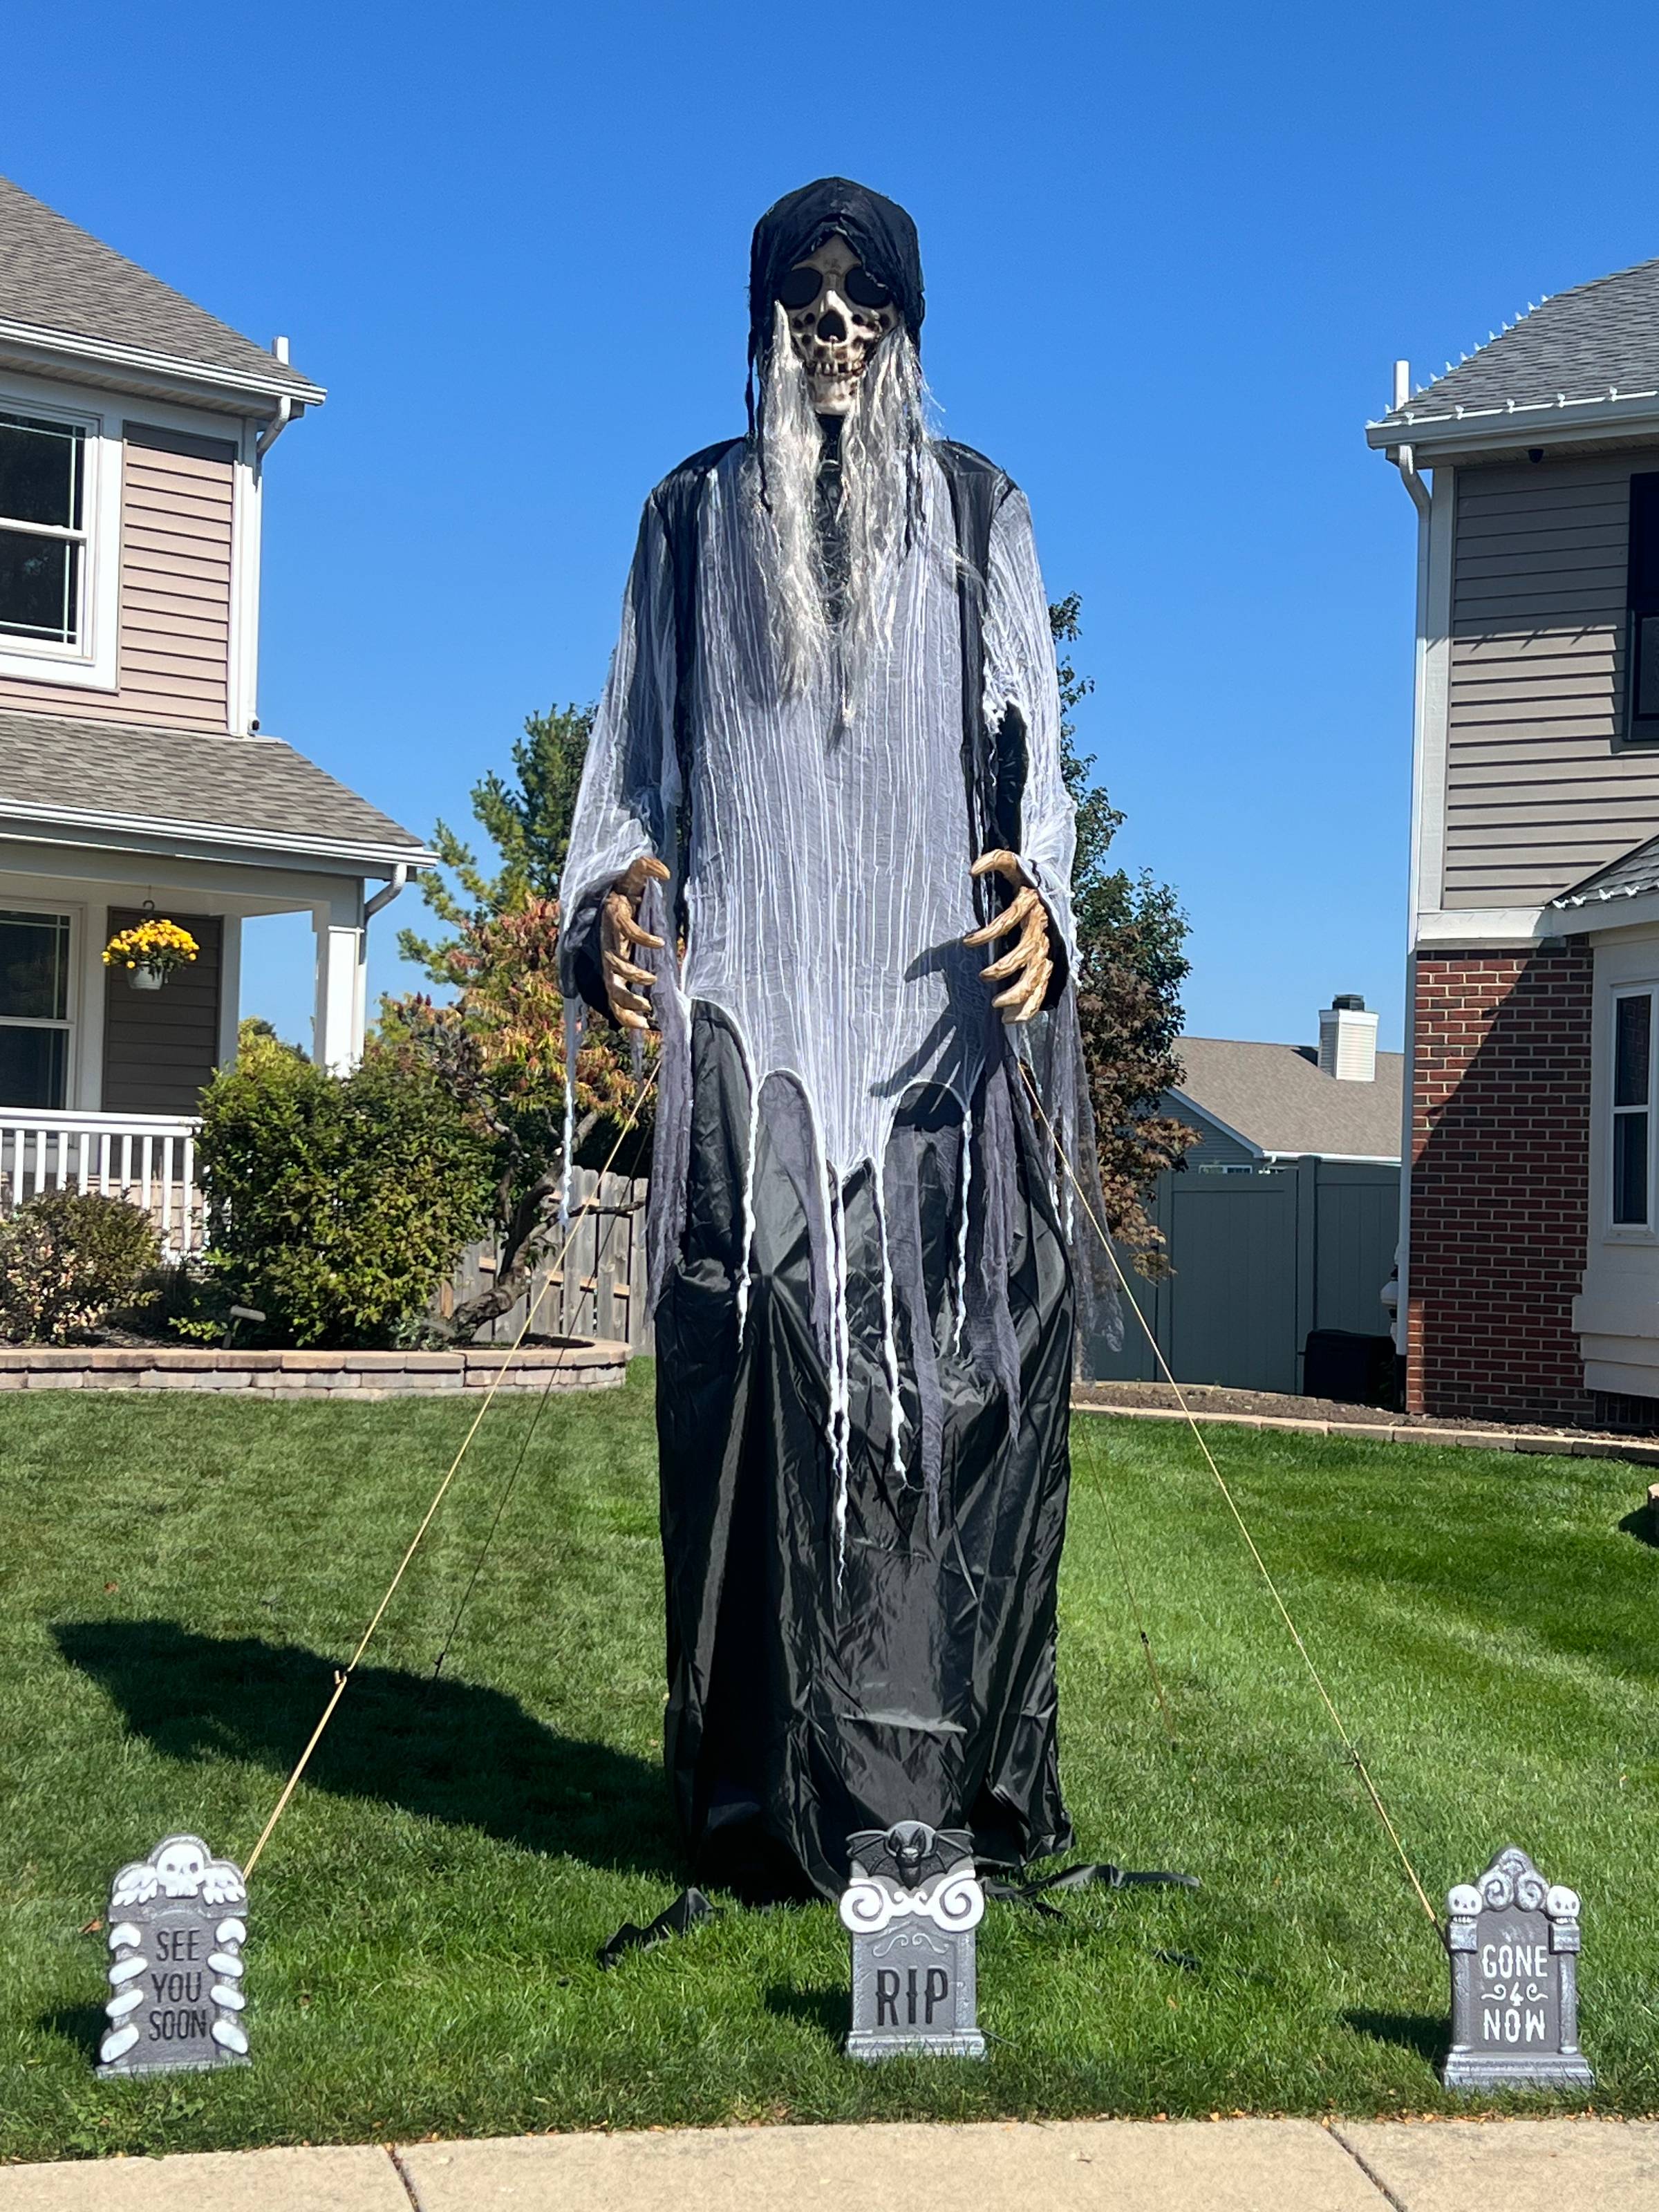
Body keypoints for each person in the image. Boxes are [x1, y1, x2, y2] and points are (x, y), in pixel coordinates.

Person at [559, 178, 1106, 1902]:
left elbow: (1046, 778)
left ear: (911, 330)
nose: (836, 329)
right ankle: (757, 1805)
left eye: (869, 306)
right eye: (804, 301)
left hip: (936, 1034)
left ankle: (929, 1800)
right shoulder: (687, 522)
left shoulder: (983, 516)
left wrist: (1049, 912)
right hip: (759, 1028)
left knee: (949, 1408)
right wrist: (606, 912)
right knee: (760, 1402)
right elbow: (623, 781)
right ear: (763, 323)